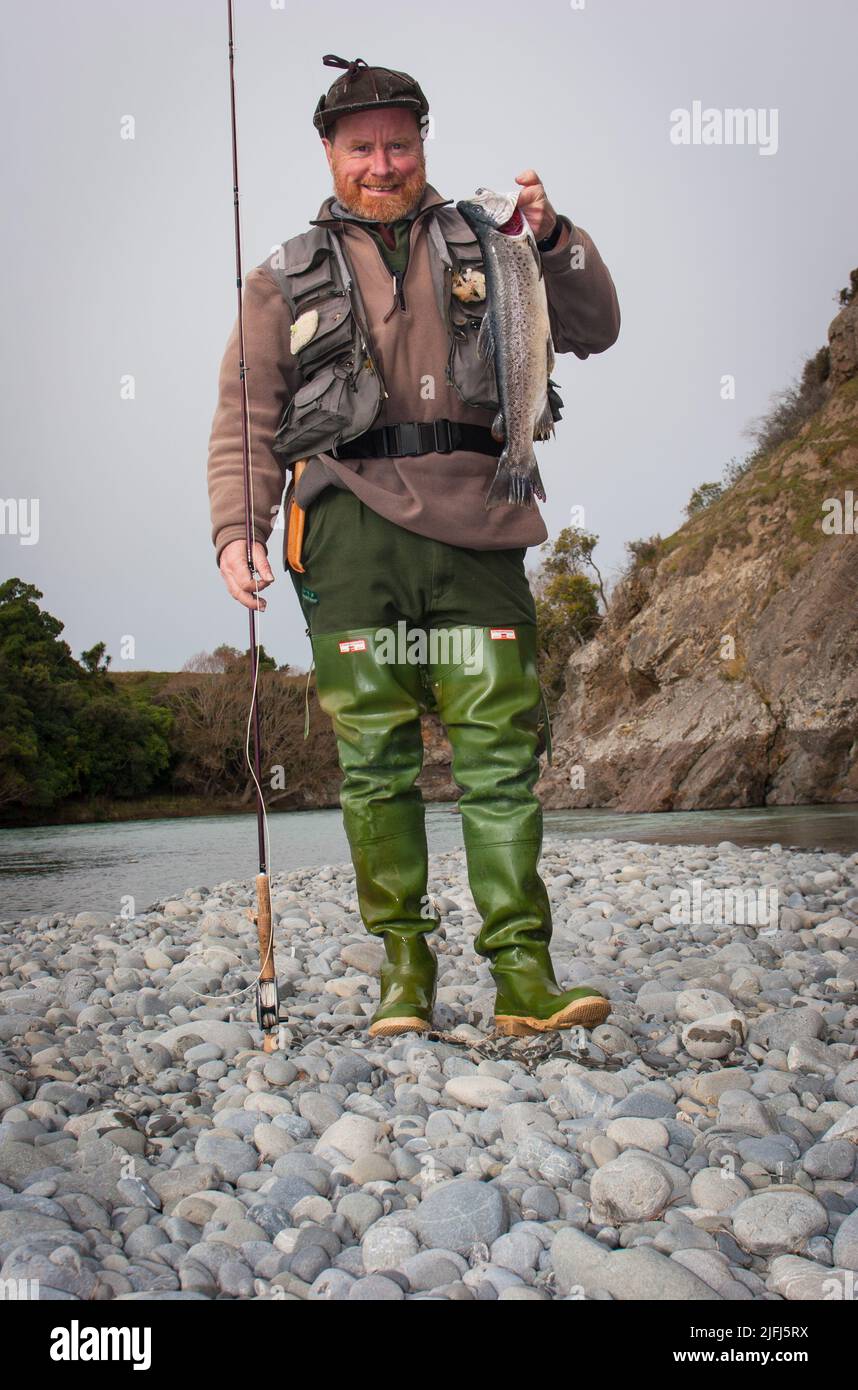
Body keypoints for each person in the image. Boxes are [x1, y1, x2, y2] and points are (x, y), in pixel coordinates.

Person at [208, 55, 621, 1038]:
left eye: (398, 143)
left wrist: (556, 237)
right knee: (375, 761)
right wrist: (238, 530)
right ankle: (406, 969)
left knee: (496, 754)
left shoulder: (495, 240)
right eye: (362, 148)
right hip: (344, 531)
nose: (382, 164)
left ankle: (524, 971)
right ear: (331, 153)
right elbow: (245, 415)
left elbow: (598, 324)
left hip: (480, 520)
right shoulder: (281, 276)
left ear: (422, 144)